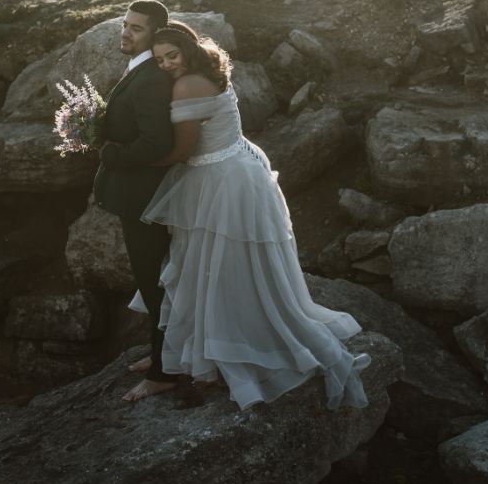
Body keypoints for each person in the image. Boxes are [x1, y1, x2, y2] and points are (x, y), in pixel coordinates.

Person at [130, 21, 371, 410]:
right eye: (158, 59)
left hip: (220, 181)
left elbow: (182, 150)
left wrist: (132, 160)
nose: (165, 65)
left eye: (171, 56)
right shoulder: (207, 70)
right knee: (204, 264)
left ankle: (205, 352)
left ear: (188, 51)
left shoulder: (187, 84)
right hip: (235, 169)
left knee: (216, 267)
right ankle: (182, 351)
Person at [93, 0, 178, 399]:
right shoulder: (140, 70)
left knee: (152, 280)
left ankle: (164, 372)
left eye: (136, 28)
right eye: (125, 24)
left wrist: (111, 154)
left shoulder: (151, 80)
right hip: (141, 197)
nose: (125, 32)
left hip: (146, 199)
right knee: (151, 281)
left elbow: (156, 142)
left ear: (154, 34)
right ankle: (162, 352)